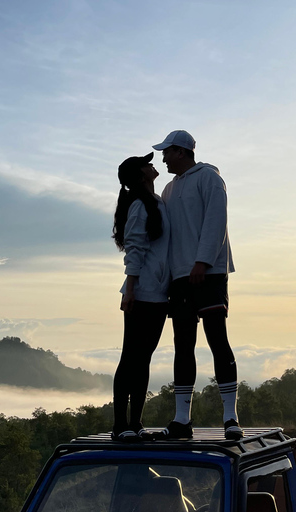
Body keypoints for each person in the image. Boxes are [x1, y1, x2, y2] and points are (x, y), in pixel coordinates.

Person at [152, 130, 242, 440]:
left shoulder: (209, 178)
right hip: (180, 277)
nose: (163, 157)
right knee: (183, 344)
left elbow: (216, 221)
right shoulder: (168, 189)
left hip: (210, 273)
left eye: (167, 152)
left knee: (218, 339)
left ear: (181, 152)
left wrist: (202, 263)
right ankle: (181, 419)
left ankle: (230, 417)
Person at [111, 152, 171, 442]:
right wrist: (131, 289)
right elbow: (134, 247)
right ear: (140, 175)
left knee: (143, 358)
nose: (152, 165)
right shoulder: (139, 205)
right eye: (147, 164)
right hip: (141, 292)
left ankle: (136, 423)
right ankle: (120, 425)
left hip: (158, 294)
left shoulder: (156, 202)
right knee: (131, 357)